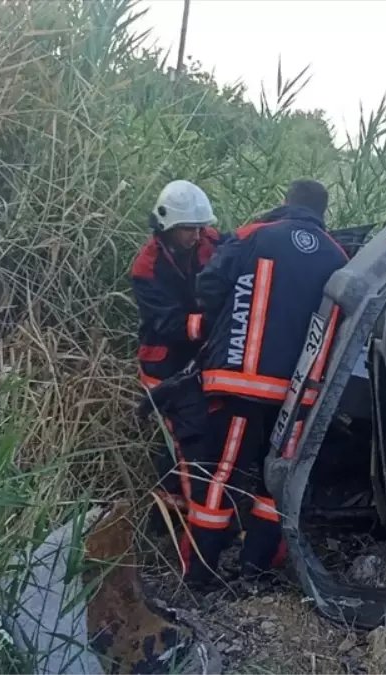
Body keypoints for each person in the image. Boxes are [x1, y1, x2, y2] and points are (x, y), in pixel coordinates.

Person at [184, 179, 348, 585]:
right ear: (322, 212)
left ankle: (200, 577)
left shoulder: (254, 235)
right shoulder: (338, 255)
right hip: (297, 398)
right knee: (274, 483)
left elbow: (208, 287)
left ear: (286, 201)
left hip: (240, 384)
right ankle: (253, 571)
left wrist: (212, 330)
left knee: (220, 475)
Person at [129, 180, 222, 528]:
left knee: (195, 432)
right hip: (163, 362)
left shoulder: (211, 242)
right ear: (167, 228)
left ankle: (171, 513)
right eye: (188, 230)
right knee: (186, 435)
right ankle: (176, 520)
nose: (196, 236)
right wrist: (212, 323)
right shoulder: (147, 267)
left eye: (200, 227)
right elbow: (166, 323)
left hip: (201, 358)